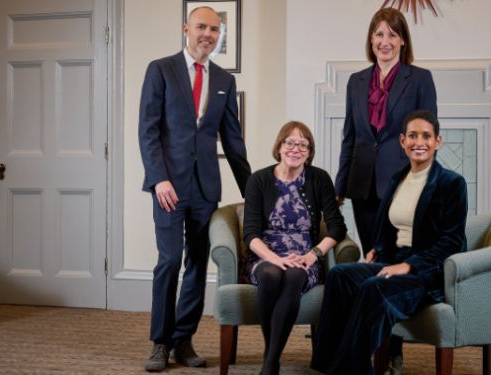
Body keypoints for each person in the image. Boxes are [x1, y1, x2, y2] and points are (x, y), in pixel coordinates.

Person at [311, 110, 467, 375]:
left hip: (426, 274)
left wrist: (409, 266)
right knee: (339, 276)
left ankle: (351, 370)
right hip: (393, 262)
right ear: (402, 141)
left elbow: (452, 241)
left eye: (426, 136)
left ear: (438, 141)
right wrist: (378, 248)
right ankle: (326, 365)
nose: (420, 142)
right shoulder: (398, 179)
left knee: (375, 287)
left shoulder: (452, 183)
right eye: (413, 136)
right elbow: (389, 225)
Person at [138, 6, 251, 372]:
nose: (207, 34)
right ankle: (160, 341)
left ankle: (183, 340)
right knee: (169, 261)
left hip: (205, 188)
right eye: (201, 26)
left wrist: (254, 193)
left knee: (199, 264)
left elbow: (233, 142)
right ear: (186, 28)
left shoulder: (223, 79)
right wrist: (159, 178)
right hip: (169, 187)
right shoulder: (161, 69)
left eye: (214, 29)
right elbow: (148, 130)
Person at [333, 8, 438, 370]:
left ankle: (393, 350)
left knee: (395, 265)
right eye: (379, 34)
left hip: (402, 185)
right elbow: (350, 136)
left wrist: (423, 181)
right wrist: (340, 185)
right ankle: (375, 347)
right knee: (375, 262)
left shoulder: (419, 78)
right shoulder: (356, 81)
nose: (385, 42)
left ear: (403, 40)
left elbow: (425, 132)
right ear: (371, 40)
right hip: (362, 184)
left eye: (392, 35)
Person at [243, 121, 347, 375]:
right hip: (266, 254)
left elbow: (337, 227)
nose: (296, 148)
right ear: (279, 147)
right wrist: (274, 258)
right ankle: (272, 358)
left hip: (304, 256)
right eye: (290, 142)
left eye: (303, 144)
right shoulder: (259, 180)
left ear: (309, 152)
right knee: (271, 274)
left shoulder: (319, 178)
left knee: (294, 275)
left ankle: (270, 363)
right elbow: (250, 233)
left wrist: (313, 255)